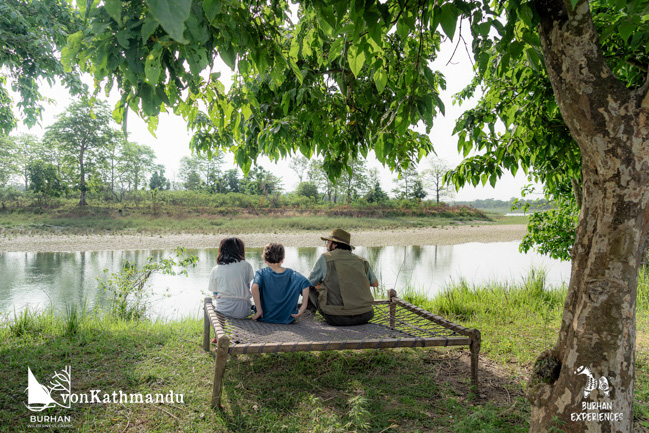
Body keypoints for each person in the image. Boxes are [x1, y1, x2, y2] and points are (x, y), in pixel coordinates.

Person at [307, 228, 379, 326]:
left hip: (337, 318)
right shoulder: (362, 260)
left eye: (328, 242)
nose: (326, 245)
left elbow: (309, 283)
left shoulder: (325, 258)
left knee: (308, 288)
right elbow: (375, 283)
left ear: (335, 244)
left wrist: (320, 285)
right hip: (366, 314)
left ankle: (307, 322)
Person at [251, 243, 311, 324]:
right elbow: (305, 283)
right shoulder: (293, 274)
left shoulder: (261, 273)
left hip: (264, 317)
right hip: (287, 318)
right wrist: (303, 307)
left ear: (265, 260)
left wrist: (259, 310)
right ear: (282, 259)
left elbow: (254, 287)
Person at [208, 237, 254, 320]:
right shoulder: (246, 266)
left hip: (223, 309)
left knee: (216, 303)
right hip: (243, 310)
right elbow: (247, 287)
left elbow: (215, 293)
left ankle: (222, 329)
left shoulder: (215, 269)